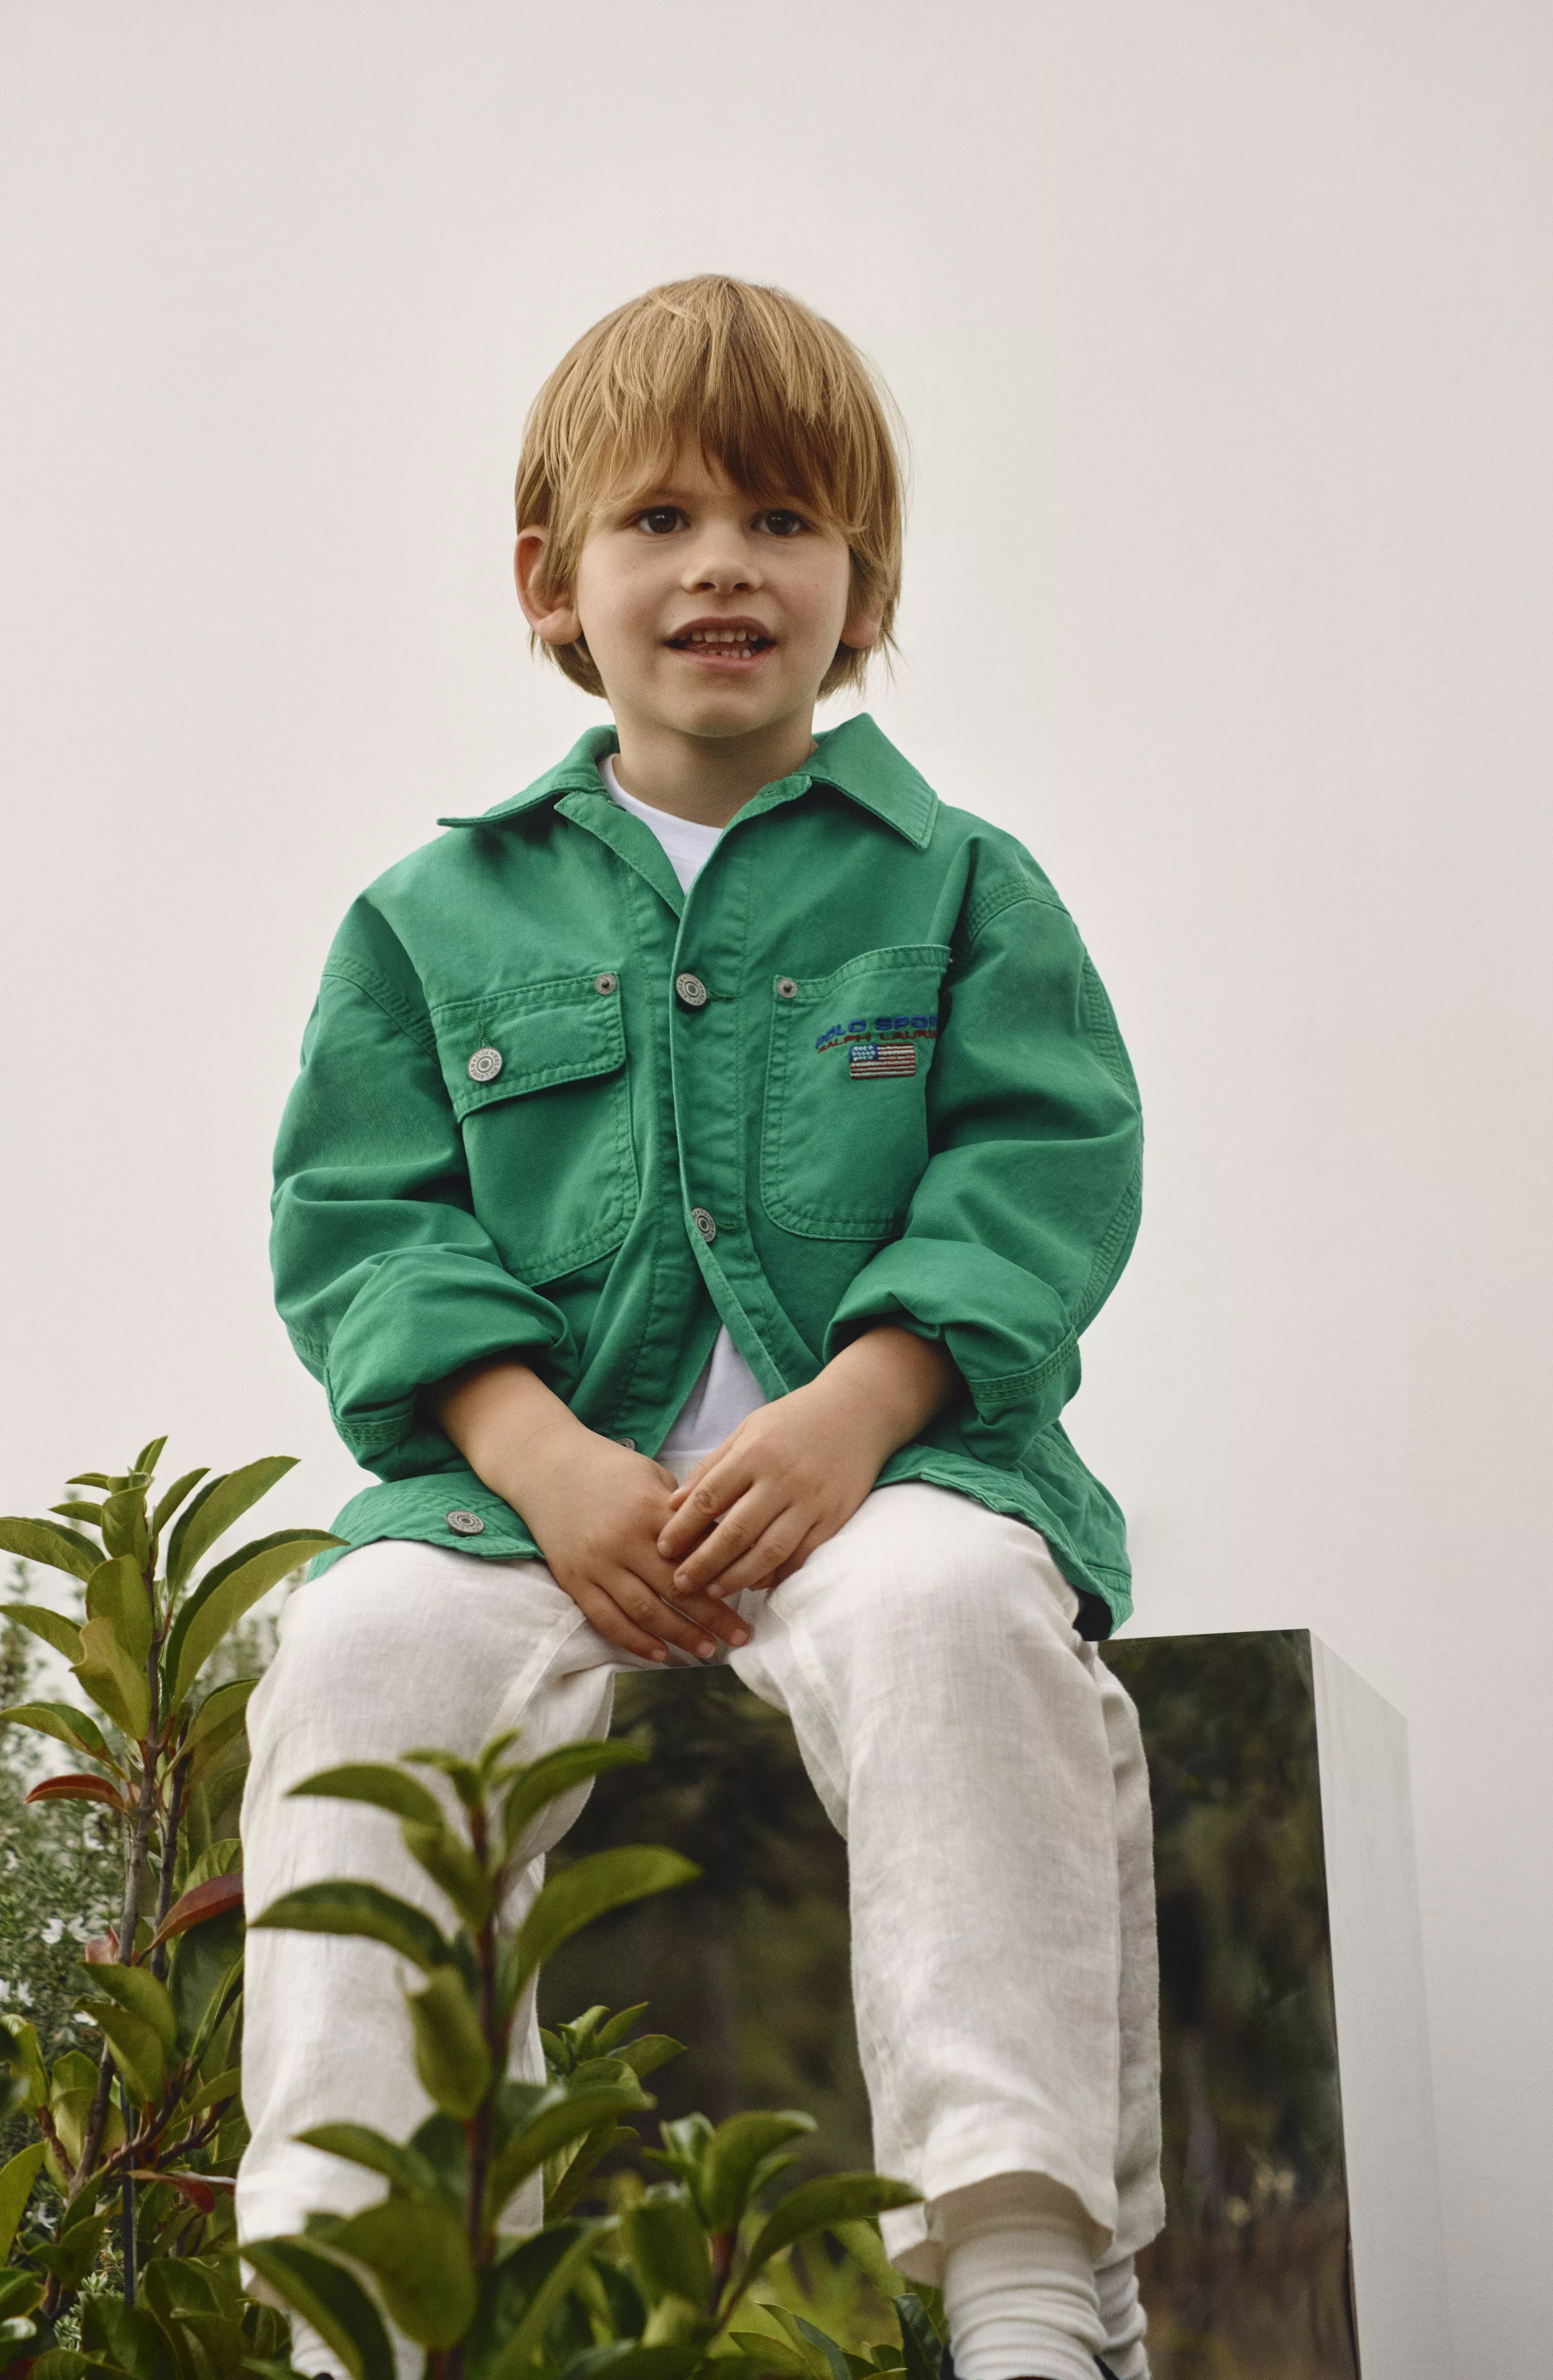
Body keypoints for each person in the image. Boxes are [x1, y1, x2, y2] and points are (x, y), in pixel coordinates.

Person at [242, 275, 1163, 2380]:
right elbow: (359, 1217)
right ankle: (366, 2298)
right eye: (660, 519)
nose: (723, 564)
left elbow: (1046, 1164)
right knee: (361, 1645)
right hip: (521, 1519)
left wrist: (864, 1412)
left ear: (867, 587)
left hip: (898, 1481)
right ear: (550, 582)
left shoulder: (964, 892)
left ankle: (1020, 2263)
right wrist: (540, 1457)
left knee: (957, 1617)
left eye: (782, 518)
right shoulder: (429, 920)